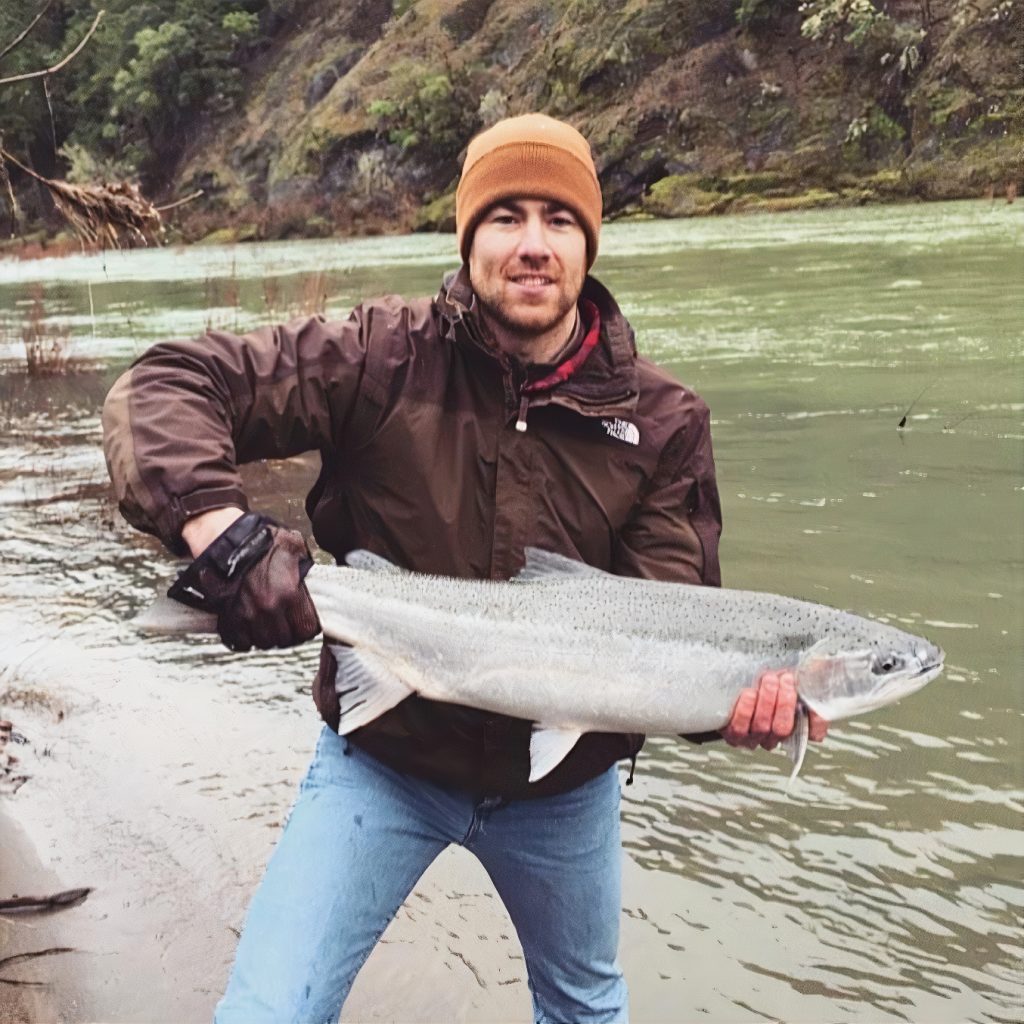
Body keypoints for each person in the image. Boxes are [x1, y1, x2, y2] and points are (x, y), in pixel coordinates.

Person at [102, 113, 827, 1024]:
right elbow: (164, 385)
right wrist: (222, 534)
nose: (533, 245)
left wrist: (726, 712)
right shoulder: (378, 357)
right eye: (507, 218)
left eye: (559, 221)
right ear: (469, 236)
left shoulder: (664, 421)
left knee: (585, 1008)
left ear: (589, 244)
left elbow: (671, 625)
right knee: (271, 1010)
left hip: (563, 792)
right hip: (387, 760)